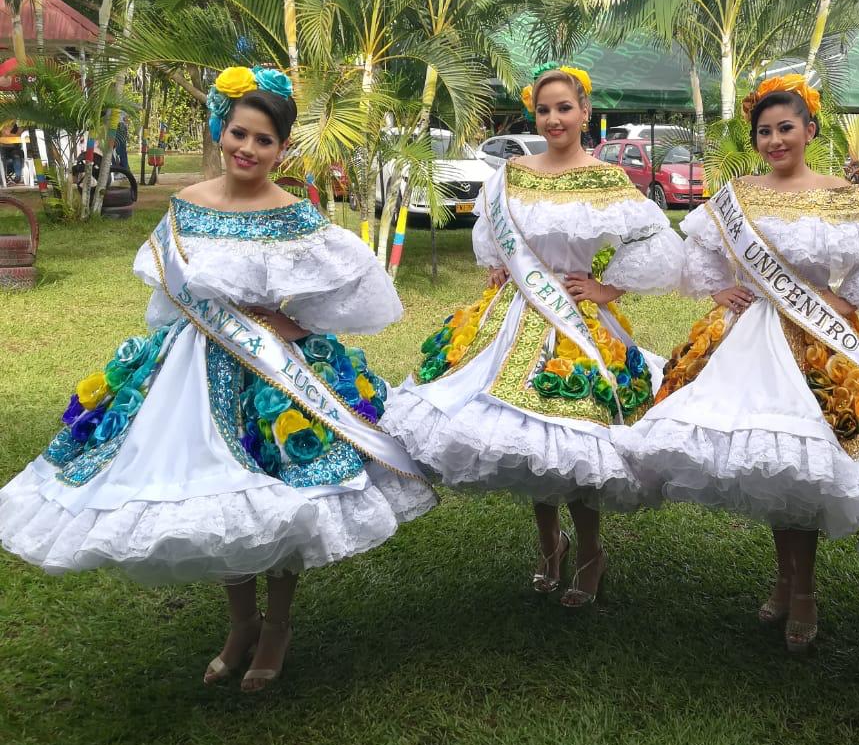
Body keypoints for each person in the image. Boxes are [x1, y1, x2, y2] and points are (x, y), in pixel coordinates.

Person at [0, 65, 436, 691]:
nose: (248, 150)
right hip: (192, 372)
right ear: (221, 130)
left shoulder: (294, 215)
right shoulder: (185, 207)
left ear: (282, 149)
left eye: (264, 140)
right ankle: (240, 626)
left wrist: (294, 323)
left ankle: (277, 627)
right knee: (215, 500)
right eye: (239, 134)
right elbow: (165, 302)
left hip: (277, 378)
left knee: (286, 500)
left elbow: (356, 291)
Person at [625, 75, 859, 653]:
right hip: (745, 340)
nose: (774, 139)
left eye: (785, 128)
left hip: (821, 343)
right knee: (777, 464)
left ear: (809, 130)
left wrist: (847, 300)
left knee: (805, 463)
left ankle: (804, 588)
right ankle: (788, 580)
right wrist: (719, 291)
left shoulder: (843, 195)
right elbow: (698, 247)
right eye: (764, 131)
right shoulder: (736, 194)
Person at [381, 66, 683, 606]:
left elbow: (656, 242)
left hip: (579, 324)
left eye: (564, 108)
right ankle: (550, 544)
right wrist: (498, 267)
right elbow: (490, 235)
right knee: (528, 442)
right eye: (544, 110)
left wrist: (606, 288)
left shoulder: (606, 178)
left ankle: (590, 551)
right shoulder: (511, 175)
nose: (554, 119)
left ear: (584, 112)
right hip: (512, 316)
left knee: (580, 439)